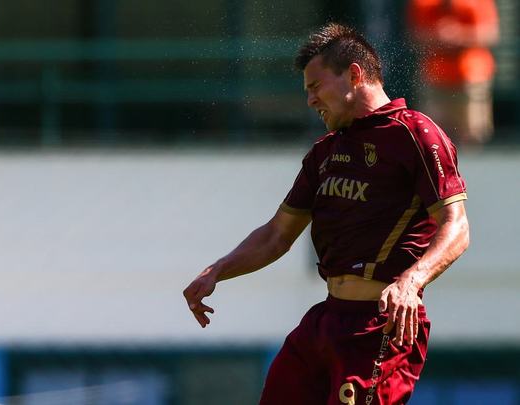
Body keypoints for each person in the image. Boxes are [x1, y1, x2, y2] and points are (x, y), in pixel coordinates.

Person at [183, 23, 470, 404]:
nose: (310, 100)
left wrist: (411, 281)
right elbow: (277, 235)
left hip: (379, 327)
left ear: (354, 75)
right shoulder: (325, 151)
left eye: (315, 87)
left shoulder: (415, 134)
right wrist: (218, 269)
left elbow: (457, 227)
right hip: (326, 321)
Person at [406, 0, 499, 147]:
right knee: (432, 135)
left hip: (471, 77)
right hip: (434, 80)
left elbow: (489, 34)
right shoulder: (423, 3)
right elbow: (416, 36)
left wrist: (458, 35)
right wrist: (439, 37)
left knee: (471, 135)